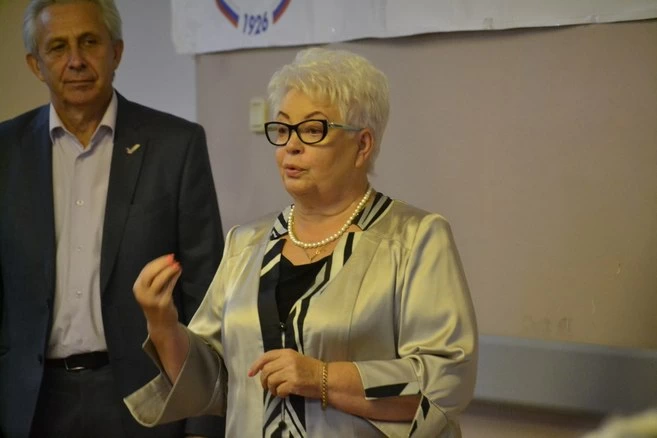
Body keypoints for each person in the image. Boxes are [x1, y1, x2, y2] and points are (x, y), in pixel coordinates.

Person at [125, 47, 478, 437]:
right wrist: (163, 323)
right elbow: (210, 384)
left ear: (362, 145)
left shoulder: (414, 239)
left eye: (312, 130)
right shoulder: (245, 245)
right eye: (282, 130)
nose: (291, 146)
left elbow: (445, 381)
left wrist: (322, 378)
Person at [0, 0, 225, 437]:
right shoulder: (5, 152)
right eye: (58, 47)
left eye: (89, 42)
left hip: (147, 399)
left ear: (116, 52)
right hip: (31, 404)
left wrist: (202, 420)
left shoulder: (176, 146)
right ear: (35, 65)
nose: (76, 60)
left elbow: (207, 294)